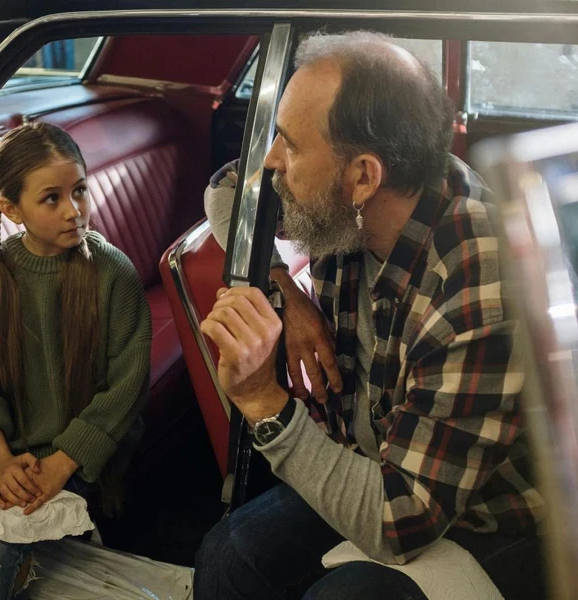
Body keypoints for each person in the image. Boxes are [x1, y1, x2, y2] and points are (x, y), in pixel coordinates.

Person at [195, 31, 545, 599]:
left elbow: (400, 518)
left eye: (289, 143)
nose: (270, 160)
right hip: (375, 459)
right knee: (228, 553)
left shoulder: (477, 274)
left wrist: (264, 403)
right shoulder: (359, 197)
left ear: (362, 176)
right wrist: (288, 293)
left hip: (481, 515)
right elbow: (228, 189)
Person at [0, 122, 151, 600]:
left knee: (6, 533)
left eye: (79, 190)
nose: (73, 210)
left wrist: (63, 462)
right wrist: (0, 461)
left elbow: (127, 385)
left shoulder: (113, 273)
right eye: (52, 198)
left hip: (85, 448)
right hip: (8, 448)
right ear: (11, 208)